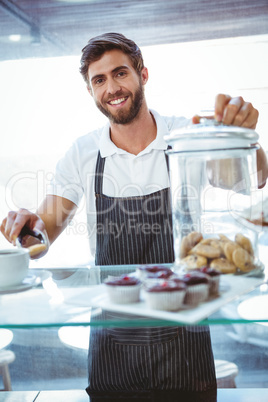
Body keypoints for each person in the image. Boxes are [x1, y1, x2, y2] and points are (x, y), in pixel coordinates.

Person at [1, 33, 267, 400]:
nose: (112, 87)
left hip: (184, 333)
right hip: (114, 339)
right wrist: (27, 230)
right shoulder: (83, 153)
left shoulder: (184, 135)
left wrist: (244, 138)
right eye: (99, 80)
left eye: (120, 73)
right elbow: (43, 234)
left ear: (143, 74)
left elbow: (251, 177)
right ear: (91, 91)